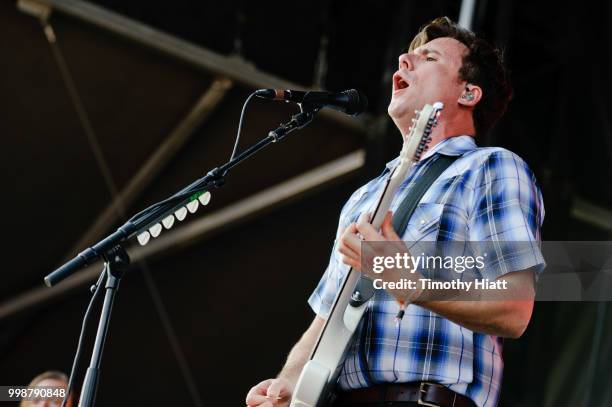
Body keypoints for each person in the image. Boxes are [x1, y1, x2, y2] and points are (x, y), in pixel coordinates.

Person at [246, 17, 544, 407]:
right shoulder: (365, 197)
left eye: (428, 57)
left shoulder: (490, 168)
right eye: (408, 55)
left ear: (469, 93)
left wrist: (415, 285)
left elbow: (515, 306)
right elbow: (329, 317)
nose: (404, 60)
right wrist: (287, 384)